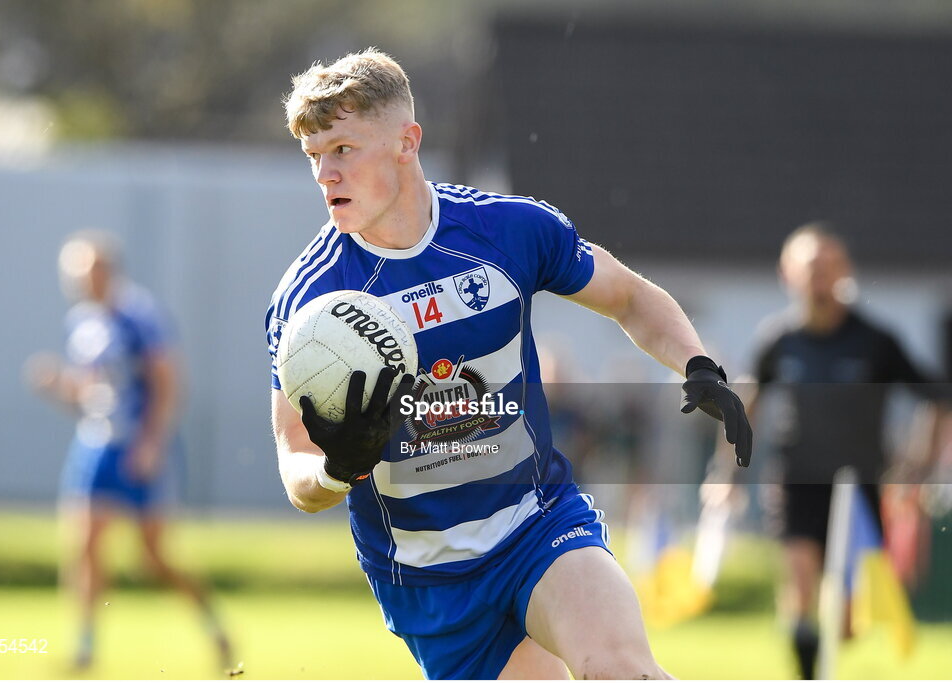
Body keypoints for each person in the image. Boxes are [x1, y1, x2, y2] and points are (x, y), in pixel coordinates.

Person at [266, 49, 752, 680]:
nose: (325, 174)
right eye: (314, 156)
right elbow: (295, 463)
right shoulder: (310, 303)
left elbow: (629, 297)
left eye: (343, 149)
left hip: (536, 524)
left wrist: (698, 365)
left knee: (622, 669)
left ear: (407, 142)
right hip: (429, 582)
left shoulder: (505, 231)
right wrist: (337, 469)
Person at [705, 223, 949, 679]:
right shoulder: (780, 340)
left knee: (847, 624)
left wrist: (918, 466)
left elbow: (937, 398)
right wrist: (726, 475)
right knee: (802, 594)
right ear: (789, 274)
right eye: (810, 268)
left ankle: (829, 642)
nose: (819, 278)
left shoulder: (875, 341)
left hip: (860, 487)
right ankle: (807, 671)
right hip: (796, 480)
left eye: (827, 267)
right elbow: (745, 404)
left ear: (844, 272)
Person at [24, 230, 232, 671]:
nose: (82, 280)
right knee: (83, 544)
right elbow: (92, 392)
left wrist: (152, 442)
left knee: (152, 559)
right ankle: (84, 648)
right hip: (96, 442)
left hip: (139, 444)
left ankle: (215, 629)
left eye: (90, 270)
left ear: (108, 270)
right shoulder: (82, 322)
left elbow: (168, 382)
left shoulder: (139, 315)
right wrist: (58, 385)